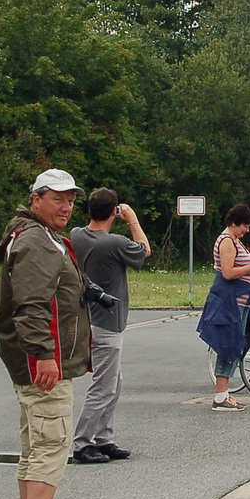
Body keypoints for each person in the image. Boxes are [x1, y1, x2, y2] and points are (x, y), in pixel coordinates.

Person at [0, 168, 92, 499]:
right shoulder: (36, 241)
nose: (66, 206)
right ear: (36, 199)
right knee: (52, 446)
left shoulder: (38, 236)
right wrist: (44, 355)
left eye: (70, 199)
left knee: (36, 448)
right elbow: (31, 305)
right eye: (57, 198)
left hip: (39, 360)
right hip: (44, 365)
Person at [68, 187, 148, 464]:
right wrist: (133, 220)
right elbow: (144, 251)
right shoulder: (113, 243)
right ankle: (82, 442)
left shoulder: (77, 235)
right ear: (114, 212)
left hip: (87, 318)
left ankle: (103, 437)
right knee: (103, 386)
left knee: (114, 382)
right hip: (107, 323)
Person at [198, 204, 250, 412]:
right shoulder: (227, 241)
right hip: (232, 302)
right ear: (233, 222)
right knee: (228, 345)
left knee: (235, 344)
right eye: (244, 226)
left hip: (241, 300)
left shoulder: (234, 241)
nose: (247, 230)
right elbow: (228, 272)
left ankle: (225, 394)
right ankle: (221, 396)